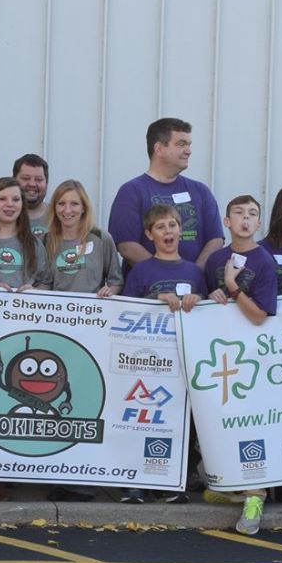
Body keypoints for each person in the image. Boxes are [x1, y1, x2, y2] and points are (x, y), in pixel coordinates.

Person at [118, 202, 206, 509]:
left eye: (172, 225)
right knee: (141, 418)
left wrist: (198, 299)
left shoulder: (194, 271)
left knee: (178, 422)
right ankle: (135, 483)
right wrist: (156, 299)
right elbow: (125, 309)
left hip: (182, 362)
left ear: (181, 230)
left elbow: (207, 309)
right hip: (147, 361)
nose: (167, 232)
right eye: (160, 227)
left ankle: (172, 480)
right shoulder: (141, 270)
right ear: (149, 234)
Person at [202, 197, 279, 536]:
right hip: (220, 355)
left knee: (252, 426)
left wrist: (233, 287)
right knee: (221, 422)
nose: (246, 220)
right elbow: (207, 301)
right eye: (239, 213)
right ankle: (227, 484)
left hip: (255, 358)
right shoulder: (215, 260)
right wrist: (214, 296)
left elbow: (260, 315)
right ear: (227, 222)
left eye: (252, 215)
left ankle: (254, 498)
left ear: (259, 223)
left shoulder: (264, 261)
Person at [108, 117, 223, 265]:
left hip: (195, 279)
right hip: (148, 280)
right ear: (159, 149)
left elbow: (216, 240)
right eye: (181, 144)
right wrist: (164, 273)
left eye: (189, 145)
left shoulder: (200, 191)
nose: (189, 151)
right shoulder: (131, 192)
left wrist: (194, 273)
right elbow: (126, 246)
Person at [35, 181, 122, 295]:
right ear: (54, 208)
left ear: (83, 208)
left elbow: (116, 282)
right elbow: (44, 283)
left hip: (92, 306)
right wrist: (30, 292)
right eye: (61, 203)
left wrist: (108, 292)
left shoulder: (101, 238)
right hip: (56, 306)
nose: (67, 210)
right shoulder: (45, 241)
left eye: (74, 204)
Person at [0, 176, 40, 290]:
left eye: (16, 199)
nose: (10, 204)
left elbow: (46, 282)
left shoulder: (34, 243)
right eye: (2, 199)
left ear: (22, 204)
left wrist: (34, 292)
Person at [13, 154, 52, 239]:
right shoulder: (0, 219)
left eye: (38, 179)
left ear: (46, 183)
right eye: (25, 178)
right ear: (13, 181)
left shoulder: (59, 216)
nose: (32, 184)